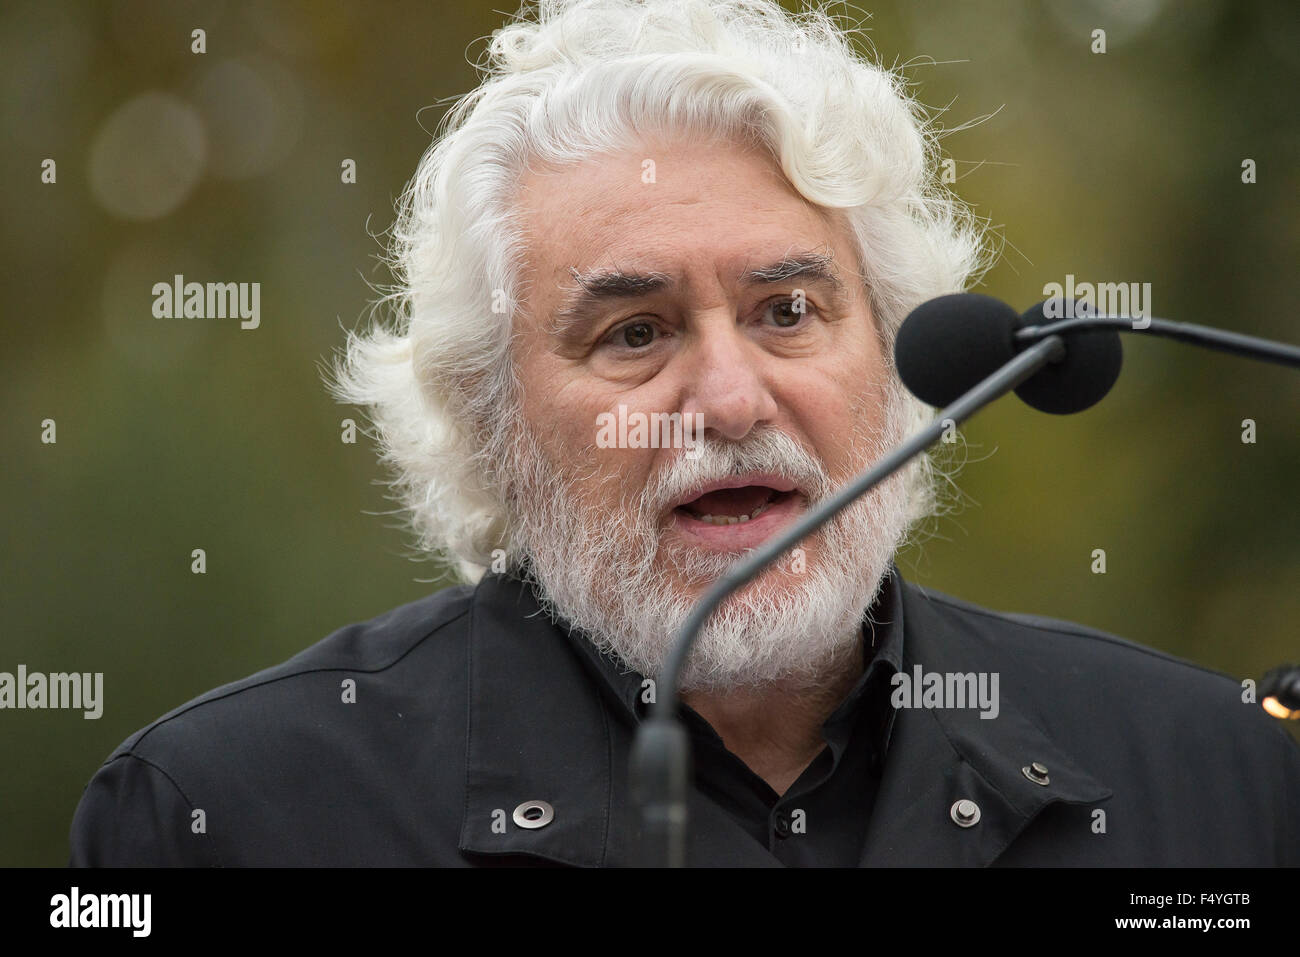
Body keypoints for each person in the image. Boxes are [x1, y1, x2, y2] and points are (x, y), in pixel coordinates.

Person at [69, 0, 1299, 867]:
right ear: (488, 422)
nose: (730, 399)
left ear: (895, 358)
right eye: (633, 334)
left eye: (787, 312)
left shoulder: (1219, 774)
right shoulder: (224, 815)